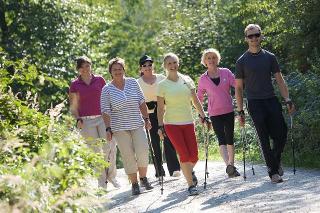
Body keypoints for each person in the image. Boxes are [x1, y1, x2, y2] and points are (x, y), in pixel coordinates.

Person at [235, 24, 295, 183]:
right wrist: (240, 111)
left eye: (256, 35)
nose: (254, 38)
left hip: (271, 100)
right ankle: (273, 171)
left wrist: (287, 99)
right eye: (250, 36)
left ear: (261, 36)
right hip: (254, 103)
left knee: (281, 134)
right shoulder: (241, 61)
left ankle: (275, 160)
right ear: (246, 39)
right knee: (263, 137)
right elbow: (239, 88)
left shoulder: (270, 57)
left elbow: (280, 80)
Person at [100, 57, 153, 196]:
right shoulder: (107, 89)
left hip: (137, 123)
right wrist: (107, 128)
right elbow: (105, 110)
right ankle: (134, 184)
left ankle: (143, 178)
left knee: (142, 151)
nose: (118, 71)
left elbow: (141, 101)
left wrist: (146, 118)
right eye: (114, 69)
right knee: (128, 155)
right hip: (119, 128)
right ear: (110, 72)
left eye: (120, 69)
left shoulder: (133, 83)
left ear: (124, 70)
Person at [157, 53, 208, 196]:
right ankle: (191, 185)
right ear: (165, 66)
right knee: (184, 154)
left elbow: (196, 100)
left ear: (178, 63)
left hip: (188, 122)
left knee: (194, 156)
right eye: (169, 64)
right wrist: (160, 127)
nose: (172, 66)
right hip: (171, 124)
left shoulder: (187, 80)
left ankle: (187, 170)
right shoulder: (162, 85)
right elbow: (160, 108)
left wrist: (203, 116)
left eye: (175, 62)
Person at [69, 56, 120, 189]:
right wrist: (78, 118)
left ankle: (112, 176)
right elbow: (73, 106)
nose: (85, 69)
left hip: (103, 118)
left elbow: (108, 98)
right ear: (78, 70)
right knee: (95, 152)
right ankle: (101, 182)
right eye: (82, 67)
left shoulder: (100, 80)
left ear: (91, 66)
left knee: (109, 147)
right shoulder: (75, 85)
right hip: (86, 122)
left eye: (87, 66)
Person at [197, 48, 240, 178]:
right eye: (208, 58)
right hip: (214, 113)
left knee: (230, 138)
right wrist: (201, 115)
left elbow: (237, 86)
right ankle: (228, 165)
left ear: (217, 59)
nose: (211, 60)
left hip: (228, 110)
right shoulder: (203, 79)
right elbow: (199, 97)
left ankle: (231, 164)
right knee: (221, 139)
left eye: (214, 57)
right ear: (204, 61)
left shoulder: (226, 72)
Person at [137, 55, 181, 178]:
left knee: (168, 139)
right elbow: (138, 101)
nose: (147, 67)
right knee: (155, 142)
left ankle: (174, 168)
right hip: (149, 115)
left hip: (163, 113)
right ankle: (159, 169)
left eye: (150, 65)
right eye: (144, 66)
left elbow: (169, 93)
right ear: (140, 68)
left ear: (153, 66)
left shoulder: (161, 78)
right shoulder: (137, 83)